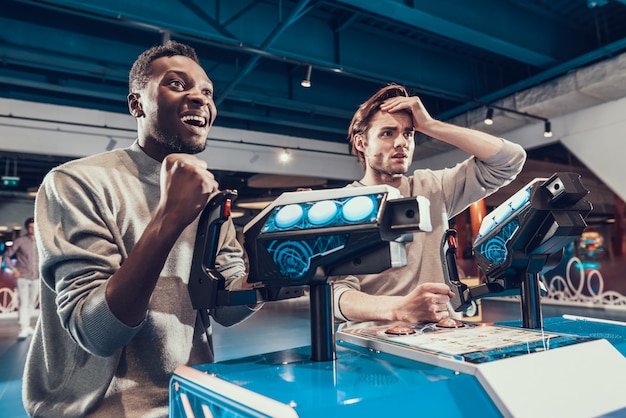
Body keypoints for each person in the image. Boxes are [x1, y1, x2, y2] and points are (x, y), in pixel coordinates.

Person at [22, 40, 258, 417]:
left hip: (188, 397)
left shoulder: (211, 197)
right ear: (137, 104)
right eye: (177, 84)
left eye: (207, 91)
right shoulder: (76, 182)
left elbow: (226, 309)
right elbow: (97, 332)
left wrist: (278, 262)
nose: (199, 98)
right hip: (98, 408)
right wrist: (169, 217)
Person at [332, 84, 526, 324]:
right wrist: (400, 308)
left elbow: (510, 160)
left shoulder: (433, 187)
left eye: (408, 133)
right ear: (361, 143)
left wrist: (430, 125)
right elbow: (337, 295)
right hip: (373, 343)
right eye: (387, 133)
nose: (401, 142)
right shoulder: (343, 206)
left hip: (441, 336)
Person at [2, 217, 39, 339]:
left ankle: (28, 326)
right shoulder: (20, 241)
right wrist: (14, 270)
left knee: (31, 303)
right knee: (23, 302)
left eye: (34, 227)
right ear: (27, 228)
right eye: (30, 227)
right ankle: (23, 327)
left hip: (36, 276)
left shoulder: (41, 241)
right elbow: (7, 255)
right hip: (22, 276)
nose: (32, 229)